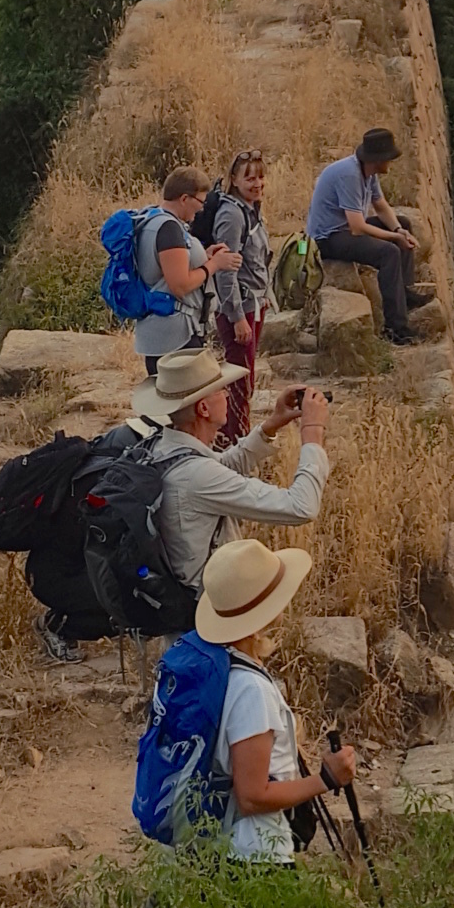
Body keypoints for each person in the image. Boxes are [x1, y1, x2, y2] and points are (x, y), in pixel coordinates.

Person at [136, 535, 357, 864]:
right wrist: (326, 779)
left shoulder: (204, 664)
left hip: (219, 850)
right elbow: (252, 796)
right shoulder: (251, 690)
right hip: (255, 858)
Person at [123, 344, 332, 589]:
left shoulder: (162, 447)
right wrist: (312, 432)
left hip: (179, 597)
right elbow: (300, 507)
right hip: (208, 608)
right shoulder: (197, 476)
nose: (228, 395)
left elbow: (222, 466)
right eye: (221, 390)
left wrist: (272, 424)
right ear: (203, 408)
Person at [306, 128, 436, 341]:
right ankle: (396, 328)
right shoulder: (349, 175)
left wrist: (398, 230)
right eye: (389, 159)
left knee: (403, 223)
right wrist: (394, 238)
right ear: (378, 160)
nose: (390, 164)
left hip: (345, 228)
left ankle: (404, 294)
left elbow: (381, 206)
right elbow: (357, 226)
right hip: (327, 237)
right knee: (389, 253)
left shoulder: (368, 173)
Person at [196, 149, 280, 436]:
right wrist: (237, 317)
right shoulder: (232, 215)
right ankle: (234, 441)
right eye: (249, 178)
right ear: (233, 179)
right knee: (239, 381)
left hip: (252, 303)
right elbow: (225, 269)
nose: (257, 184)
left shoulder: (250, 208)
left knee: (244, 377)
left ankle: (234, 436)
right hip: (240, 306)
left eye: (260, 177)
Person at [119, 166, 213, 369]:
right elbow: (180, 285)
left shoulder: (150, 219)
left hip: (157, 334)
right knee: (185, 398)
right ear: (184, 199)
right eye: (201, 202)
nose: (202, 208)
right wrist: (212, 266)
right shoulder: (169, 228)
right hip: (176, 336)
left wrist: (205, 256)